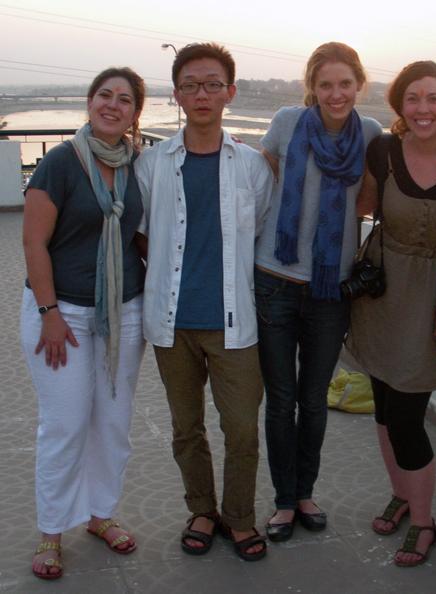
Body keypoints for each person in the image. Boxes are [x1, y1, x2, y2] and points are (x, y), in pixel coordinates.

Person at [135, 42, 272, 561]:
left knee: (241, 429)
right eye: (191, 85)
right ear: (176, 96)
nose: (202, 94)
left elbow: (257, 235)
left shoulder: (253, 167)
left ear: (230, 93)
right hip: (171, 324)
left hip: (235, 325)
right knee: (186, 428)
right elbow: (143, 235)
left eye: (213, 84)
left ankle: (238, 516)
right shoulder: (152, 164)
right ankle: (200, 508)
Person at [21, 67, 147, 579]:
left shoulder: (139, 164)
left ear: (137, 113)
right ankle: (51, 530)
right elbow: (33, 243)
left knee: (112, 425)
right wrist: (49, 313)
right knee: (66, 425)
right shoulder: (60, 162)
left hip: (125, 312)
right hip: (64, 314)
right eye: (104, 96)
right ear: (90, 102)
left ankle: (100, 514)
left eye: (124, 99)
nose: (113, 105)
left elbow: (142, 237)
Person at [255, 41, 382, 542]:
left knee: (313, 400)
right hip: (275, 281)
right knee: (281, 398)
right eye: (326, 84)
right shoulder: (287, 122)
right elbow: (257, 186)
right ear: (313, 86)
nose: (336, 93)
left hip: (331, 290)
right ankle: (284, 502)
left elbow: (369, 205)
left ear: (358, 86)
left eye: (345, 84)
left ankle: (305, 491)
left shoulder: (371, 135)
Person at [346, 60, 436, 567]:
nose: (423, 108)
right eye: (412, 98)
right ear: (399, 105)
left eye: (432, 98)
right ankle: (403, 494)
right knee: (382, 404)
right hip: (381, 295)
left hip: (435, 302)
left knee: (407, 418)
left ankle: (424, 522)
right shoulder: (383, 150)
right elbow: (359, 208)